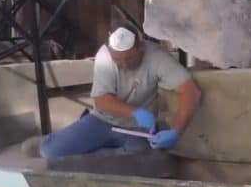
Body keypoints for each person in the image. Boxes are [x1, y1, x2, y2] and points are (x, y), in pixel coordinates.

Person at [38, 25, 202, 166]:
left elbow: (191, 91)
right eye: (117, 59)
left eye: (129, 58)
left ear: (141, 48)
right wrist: (135, 112)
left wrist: (176, 132)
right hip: (103, 121)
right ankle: (104, 154)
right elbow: (102, 101)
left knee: (149, 163)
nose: (124, 64)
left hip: (137, 130)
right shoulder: (105, 55)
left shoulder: (156, 56)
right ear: (110, 50)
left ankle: (95, 155)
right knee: (50, 151)